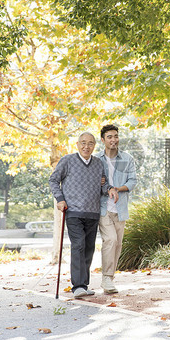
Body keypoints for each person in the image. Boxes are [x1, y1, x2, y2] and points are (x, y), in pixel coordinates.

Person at [49, 132, 118, 299]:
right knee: (78, 245)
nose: (86, 146)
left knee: (88, 248)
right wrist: (60, 199)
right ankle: (77, 286)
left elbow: (102, 185)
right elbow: (53, 180)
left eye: (90, 143)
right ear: (77, 144)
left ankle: (84, 285)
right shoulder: (67, 160)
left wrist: (109, 189)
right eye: (83, 143)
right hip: (73, 211)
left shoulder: (98, 163)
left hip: (92, 212)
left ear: (94, 145)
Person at [96, 124, 137, 294]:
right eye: (110, 137)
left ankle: (110, 279)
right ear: (103, 140)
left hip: (120, 209)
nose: (114, 140)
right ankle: (106, 278)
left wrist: (118, 189)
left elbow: (132, 181)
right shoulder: (96, 160)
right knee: (110, 240)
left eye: (116, 136)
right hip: (103, 208)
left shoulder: (127, 159)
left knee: (118, 244)